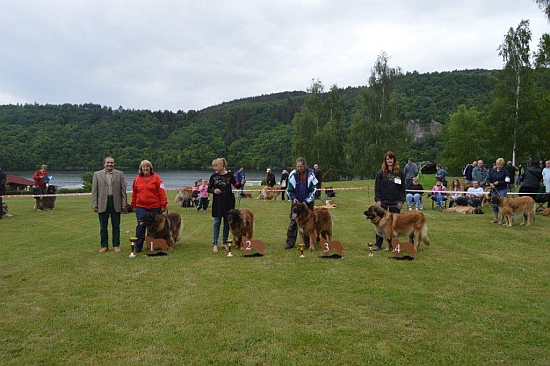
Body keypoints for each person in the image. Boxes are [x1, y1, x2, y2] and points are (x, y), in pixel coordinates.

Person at [130, 160, 168, 253]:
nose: (145, 168)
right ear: (141, 168)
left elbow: (161, 192)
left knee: (153, 226)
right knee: (141, 225)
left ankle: (151, 245)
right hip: (141, 206)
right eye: (143, 167)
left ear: (150, 168)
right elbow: (134, 193)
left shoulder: (157, 178)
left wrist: (163, 204)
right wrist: (133, 204)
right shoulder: (136, 179)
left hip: (155, 206)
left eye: (147, 166)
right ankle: (137, 247)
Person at [91, 157, 127, 253]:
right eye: (108, 163)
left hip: (116, 202)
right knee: (103, 227)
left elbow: (123, 190)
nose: (109, 164)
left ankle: (116, 245)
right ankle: (104, 246)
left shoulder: (119, 174)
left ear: (114, 164)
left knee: (116, 225)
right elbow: (94, 191)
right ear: (104, 164)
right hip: (102, 203)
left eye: (111, 163)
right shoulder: (97, 174)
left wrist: (124, 204)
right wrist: (94, 204)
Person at [208, 158, 243, 253]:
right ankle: (215, 244)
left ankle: (224, 242)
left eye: (216, 166)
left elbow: (236, 185)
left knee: (227, 223)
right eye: (213, 166)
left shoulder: (230, 175)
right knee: (217, 222)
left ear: (222, 166)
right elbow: (209, 188)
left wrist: (241, 183)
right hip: (217, 203)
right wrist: (214, 190)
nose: (214, 168)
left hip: (228, 202)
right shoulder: (213, 177)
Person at [372, 151, 406, 251]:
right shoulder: (380, 173)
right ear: (385, 161)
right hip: (383, 202)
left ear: (394, 160)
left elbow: (402, 189)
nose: (389, 160)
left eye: (391, 158)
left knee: (394, 225)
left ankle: (394, 245)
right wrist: (378, 200)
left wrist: (401, 201)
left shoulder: (400, 173)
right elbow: (377, 188)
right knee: (379, 224)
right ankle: (378, 244)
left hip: (395, 202)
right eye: (387, 159)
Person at [285, 157, 318, 249]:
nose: (299, 168)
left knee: (309, 222)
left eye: (301, 166)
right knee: (293, 221)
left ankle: (308, 242)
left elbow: (314, 189)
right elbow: (289, 190)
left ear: (305, 165)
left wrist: (306, 201)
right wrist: (293, 198)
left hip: (308, 202)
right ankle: (290, 242)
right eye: (298, 166)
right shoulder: (292, 175)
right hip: (296, 202)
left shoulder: (311, 174)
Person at [487, 158, 511, 223]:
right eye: (498, 165)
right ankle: (495, 218)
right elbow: (488, 179)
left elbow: (508, 181)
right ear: (496, 164)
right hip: (494, 189)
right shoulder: (492, 171)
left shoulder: (505, 171)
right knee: (494, 204)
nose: (499, 166)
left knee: (502, 204)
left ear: (503, 165)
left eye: (501, 165)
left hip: (502, 189)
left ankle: (502, 219)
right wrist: (490, 184)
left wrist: (499, 183)